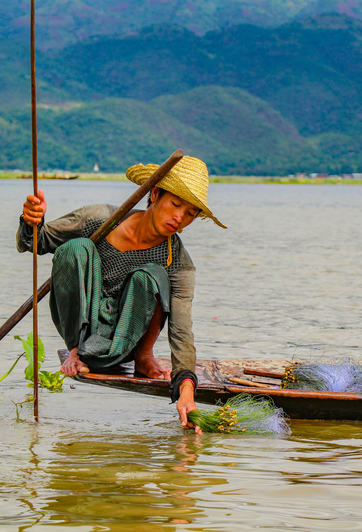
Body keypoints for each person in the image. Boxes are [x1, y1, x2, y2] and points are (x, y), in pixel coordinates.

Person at [17, 156, 226, 433]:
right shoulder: (99, 220)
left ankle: (144, 356)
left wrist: (186, 388)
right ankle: (76, 352)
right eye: (176, 204)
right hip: (84, 333)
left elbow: (182, 330)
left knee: (150, 275)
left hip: (125, 340)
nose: (180, 218)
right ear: (154, 194)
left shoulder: (178, 261)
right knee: (75, 248)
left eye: (190, 213)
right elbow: (35, 241)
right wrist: (32, 219)